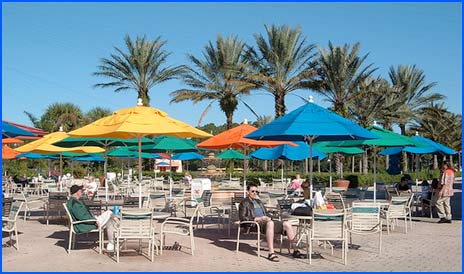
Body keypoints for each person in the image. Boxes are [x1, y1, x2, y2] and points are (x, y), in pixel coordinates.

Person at [239, 184, 301, 262]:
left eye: (256, 191)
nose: (255, 193)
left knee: (287, 224)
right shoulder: (244, 203)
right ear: (248, 192)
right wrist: (259, 218)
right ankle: (271, 253)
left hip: (266, 222)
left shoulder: (259, 201)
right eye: (252, 191)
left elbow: (266, 213)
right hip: (254, 224)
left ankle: (295, 251)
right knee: (270, 224)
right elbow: (243, 218)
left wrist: (270, 217)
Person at [66, 184, 117, 251]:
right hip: (84, 224)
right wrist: (94, 221)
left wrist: (93, 217)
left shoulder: (73, 201)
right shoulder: (75, 203)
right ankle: (113, 240)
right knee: (109, 214)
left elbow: (82, 215)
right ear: (77, 192)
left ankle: (111, 243)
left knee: (109, 218)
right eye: (80, 191)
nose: (82, 192)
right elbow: (82, 217)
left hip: (87, 222)